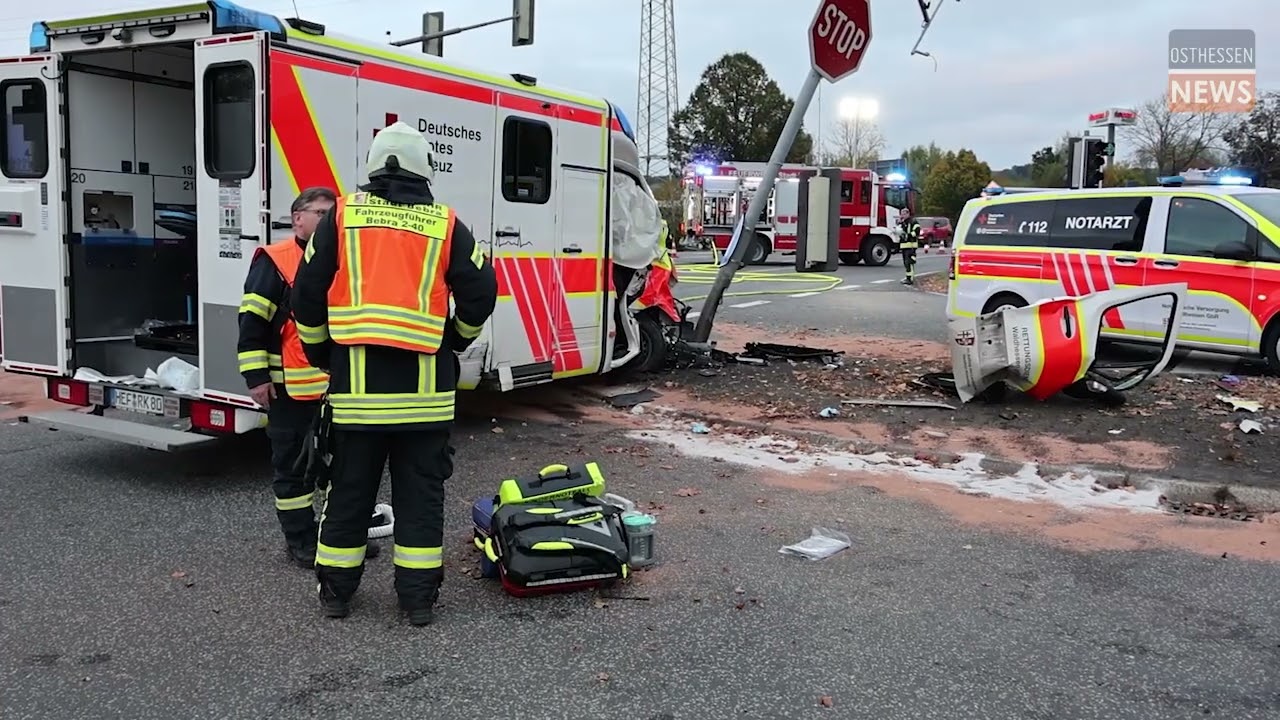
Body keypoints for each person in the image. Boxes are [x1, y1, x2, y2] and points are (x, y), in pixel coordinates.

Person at [291, 121, 498, 626]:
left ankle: (337, 595)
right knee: (420, 499)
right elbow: (481, 294)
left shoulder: (340, 217)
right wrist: (454, 340)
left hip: (357, 398)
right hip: (426, 400)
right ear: (425, 167)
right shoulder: (444, 224)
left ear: (373, 167)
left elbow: (306, 297)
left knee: (349, 495)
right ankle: (418, 602)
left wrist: (324, 355)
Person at [237, 187, 384, 569]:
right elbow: (252, 323)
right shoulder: (276, 259)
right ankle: (301, 542)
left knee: (344, 471)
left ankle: (339, 539)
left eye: (332, 213)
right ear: (297, 218)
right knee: (294, 474)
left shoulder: (345, 257)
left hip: (340, 389)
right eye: (320, 213)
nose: (328, 220)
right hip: (291, 392)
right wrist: (256, 378)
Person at [898, 207, 921, 286]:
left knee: (909, 262)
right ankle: (908, 277)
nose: (902, 215)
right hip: (904, 246)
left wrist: (909, 235)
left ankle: (910, 279)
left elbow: (917, 231)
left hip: (911, 245)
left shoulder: (913, 221)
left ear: (908, 214)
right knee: (906, 263)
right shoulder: (903, 222)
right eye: (901, 214)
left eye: (904, 214)